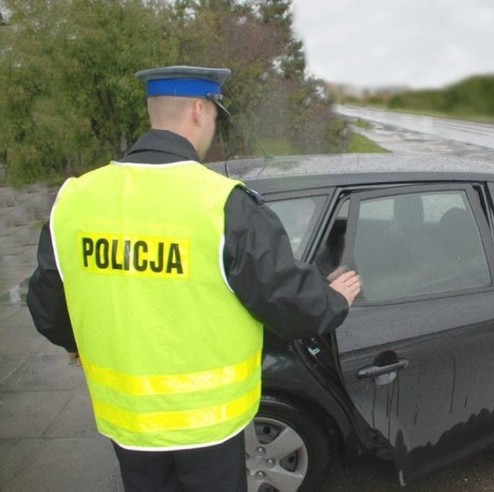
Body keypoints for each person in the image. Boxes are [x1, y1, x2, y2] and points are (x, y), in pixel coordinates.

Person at [26, 65, 361, 492]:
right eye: (216, 119)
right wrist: (333, 300)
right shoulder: (223, 205)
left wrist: (79, 344)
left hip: (127, 423)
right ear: (200, 112)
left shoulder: (76, 198)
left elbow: (48, 306)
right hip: (207, 427)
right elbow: (286, 301)